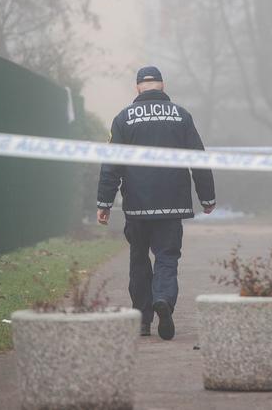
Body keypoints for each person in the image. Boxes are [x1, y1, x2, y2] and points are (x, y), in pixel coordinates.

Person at [97, 66, 216, 340]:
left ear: (138, 87)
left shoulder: (123, 118)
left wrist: (104, 202)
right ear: (162, 86)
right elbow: (198, 159)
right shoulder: (181, 116)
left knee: (139, 259)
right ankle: (162, 298)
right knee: (167, 257)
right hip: (172, 203)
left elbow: (111, 165)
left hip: (137, 205)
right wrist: (207, 197)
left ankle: (142, 320)